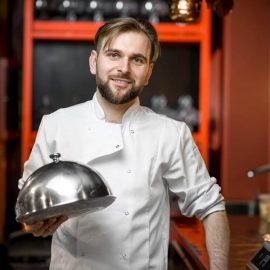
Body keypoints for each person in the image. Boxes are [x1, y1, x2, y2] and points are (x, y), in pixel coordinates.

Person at [18, 17, 230, 270]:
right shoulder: (56, 125)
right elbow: (29, 208)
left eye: (137, 59)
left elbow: (211, 206)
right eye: (114, 55)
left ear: (148, 73)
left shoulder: (170, 133)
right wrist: (37, 224)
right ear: (94, 62)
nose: (124, 68)